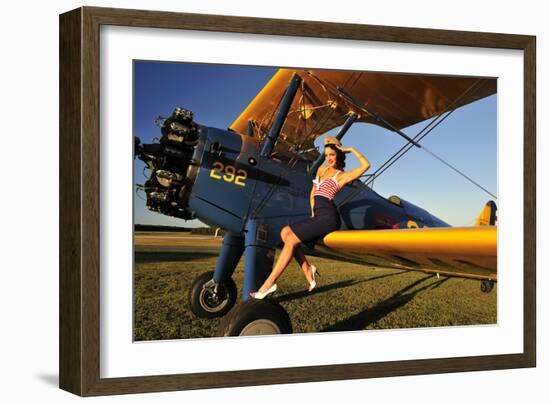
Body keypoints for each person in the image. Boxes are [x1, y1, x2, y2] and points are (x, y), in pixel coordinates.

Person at [250, 136, 371, 299]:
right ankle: (308, 268)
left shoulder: (341, 176)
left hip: (328, 217)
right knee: (285, 233)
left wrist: (351, 150)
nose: (329, 158)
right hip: (318, 214)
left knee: (291, 240)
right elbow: (314, 192)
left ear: (339, 155)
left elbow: (366, 165)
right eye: (327, 155)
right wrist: (313, 210)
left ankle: (269, 283)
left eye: (333, 155)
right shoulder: (321, 170)